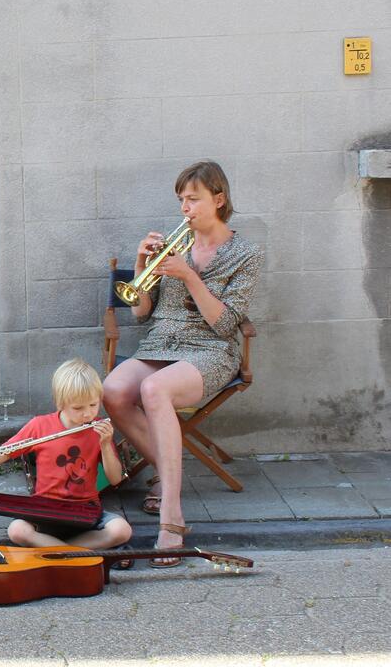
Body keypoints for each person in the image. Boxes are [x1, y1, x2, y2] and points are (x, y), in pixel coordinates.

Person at [102, 160, 263, 567]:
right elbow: (140, 313)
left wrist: (189, 276)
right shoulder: (176, 244)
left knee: (154, 390)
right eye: (181, 200)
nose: (184, 208)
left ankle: (171, 517)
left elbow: (226, 323)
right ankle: (167, 469)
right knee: (114, 392)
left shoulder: (245, 254)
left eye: (193, 199)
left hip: (210, 349)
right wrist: (141, 268)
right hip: (162, 341)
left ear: (219, 199)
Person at [0, 358, 133, 557]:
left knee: (121, 530)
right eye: (78, 408)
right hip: (45, 510)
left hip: (86, 511)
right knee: (17, 530)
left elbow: (115, 478)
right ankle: (74, 554)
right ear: (60, 403)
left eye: (93, 404)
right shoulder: (40, 426)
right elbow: (1, 454)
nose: (88, 414)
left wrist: (105, 443)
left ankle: (55, 551)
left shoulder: (100, 430)